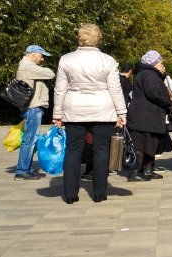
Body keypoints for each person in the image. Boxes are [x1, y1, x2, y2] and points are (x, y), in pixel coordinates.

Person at [52, 24, 127, 204]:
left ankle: (70, 195)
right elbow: (115, 89)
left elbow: (60, 90)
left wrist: (57, 114)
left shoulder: (66, 59)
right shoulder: (108, 60)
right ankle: (100, 193)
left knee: (72, 151)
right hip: (102, 110)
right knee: (101, 151)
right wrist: (121, 112)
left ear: (79, 38)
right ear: (98, 38)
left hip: (74, 110)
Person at [126, 51, 172, 181]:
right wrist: (167, 102)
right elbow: (153, 93)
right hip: (145, 116)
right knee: (141, 145)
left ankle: (147, 170)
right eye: (160, 62)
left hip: (146, 116)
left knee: (149, 145)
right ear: (154, 63)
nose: (162, 64)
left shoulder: (146, 74)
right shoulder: (149, 75)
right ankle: (135, 172)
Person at [14, 45, 55, 180]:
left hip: (32, 107)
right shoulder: (28, 66)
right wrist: (42, 70)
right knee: (29, 140)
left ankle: (27, 168)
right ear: (33, 55)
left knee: (31, 139)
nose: (42, 59)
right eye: (41, 56)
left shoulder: (28, 66)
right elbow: (51, 73)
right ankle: (22, 171)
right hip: (33, 107)